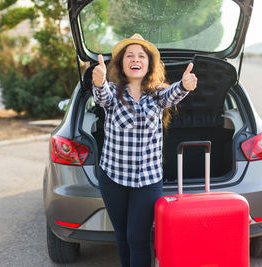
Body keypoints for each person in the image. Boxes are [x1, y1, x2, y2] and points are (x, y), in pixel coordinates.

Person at [92, 33, 197, 267]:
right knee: (121, 234)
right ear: (122, 63)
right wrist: (98, 81)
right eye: (129, 55)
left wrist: (184, 86)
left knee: (137, 238)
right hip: (113, 177)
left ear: (149, 64)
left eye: (141, 55)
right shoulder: (112, 92)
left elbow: (172, 95)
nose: (135, 59)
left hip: (147, 180)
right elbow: (102, 97)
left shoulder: (157, 94)